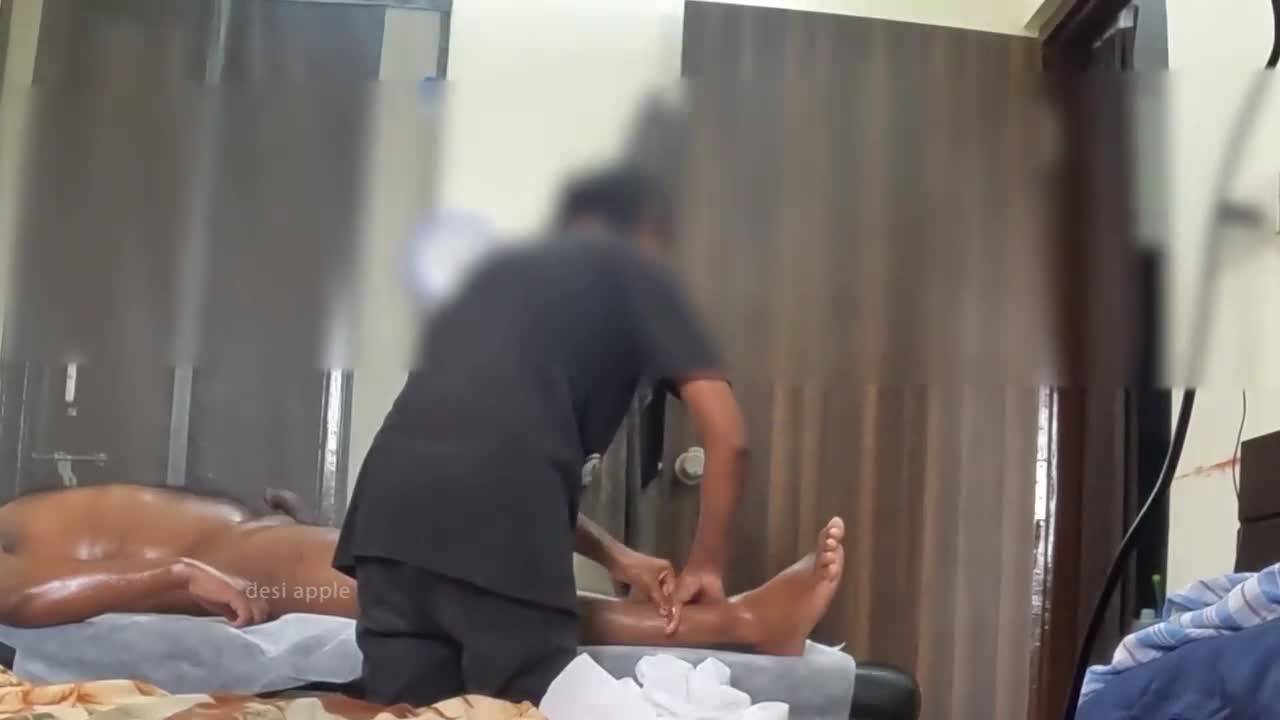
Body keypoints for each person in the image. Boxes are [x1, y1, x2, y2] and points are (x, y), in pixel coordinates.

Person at [334, 166, 755, 706]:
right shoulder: (640, 280)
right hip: (499, 533)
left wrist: (616, 556)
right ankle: (752, 620)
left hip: (386, 530)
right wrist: (707, 566)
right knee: (528, 707)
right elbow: (729, 436)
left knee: (413, 714)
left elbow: (474, 460)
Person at [0, 484, 845, 661]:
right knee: (457, 592)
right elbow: (24, 600)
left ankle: (644, 576)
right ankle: (738, 624)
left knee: (461, 538)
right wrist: (175, 576)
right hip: (234, 564)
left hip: (253, 538)